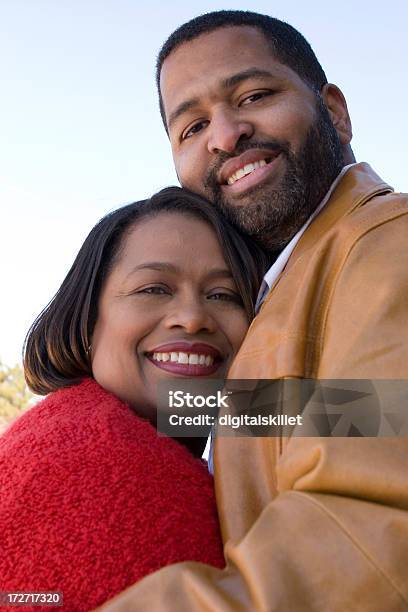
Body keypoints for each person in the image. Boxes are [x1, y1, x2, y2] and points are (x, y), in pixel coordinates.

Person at [98, 10, 408, 612]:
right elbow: (351, 415)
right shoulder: (286, 287)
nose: (224, 134)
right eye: (190, 128)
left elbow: (373, 527)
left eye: (255, 95)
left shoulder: (387, 243)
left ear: (335, 111)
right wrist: (98, 412)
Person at [0, 187, 269, 611]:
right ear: (87, 320)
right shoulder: (102, 457)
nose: (193, 316)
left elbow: (380, 415)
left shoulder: (81, 421)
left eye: (223, 295)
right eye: (153, 289)